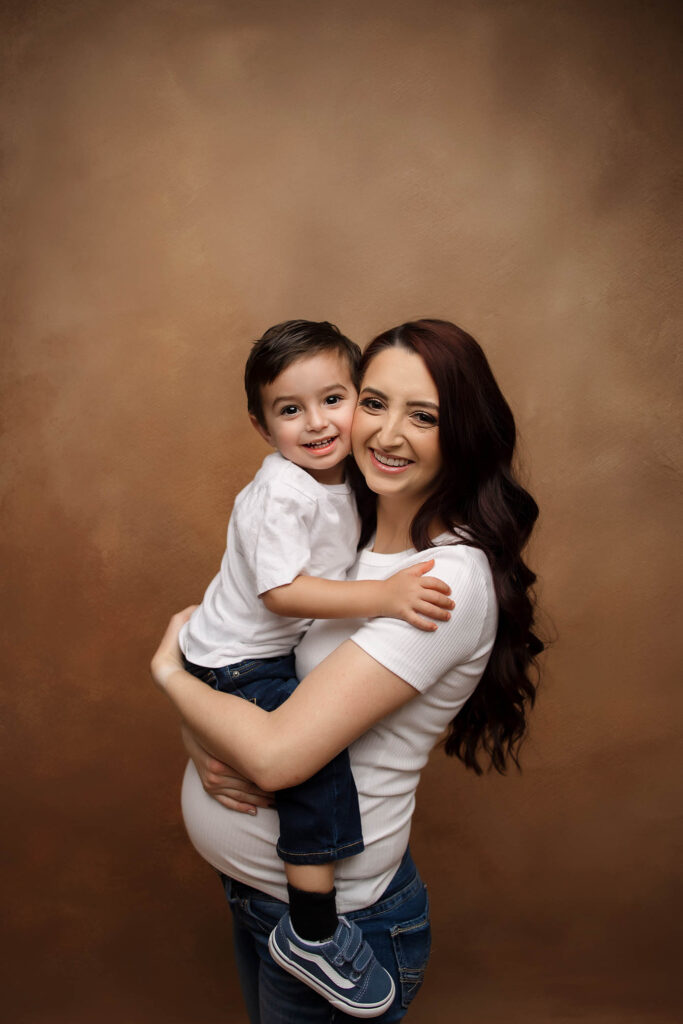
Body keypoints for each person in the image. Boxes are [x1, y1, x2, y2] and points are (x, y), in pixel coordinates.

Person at [151, 318, 543, 1023]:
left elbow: (274, 755)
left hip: (344, 927)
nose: (387, 434)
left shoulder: (441, 581)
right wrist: (199, 741)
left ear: (463, 433)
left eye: (422, 416)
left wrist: (169, 677)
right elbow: (252, 666)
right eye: (373, 403)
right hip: (257, 898)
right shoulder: (350, 524)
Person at [177, 319, 454, 1017]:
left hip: (239, 657)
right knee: (315, 767)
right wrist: (384, 596)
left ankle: (311, 923)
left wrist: (175, 687)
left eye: (334, 400)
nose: (317, 423)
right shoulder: (284, 492)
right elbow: (280, 593)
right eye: (289, 410)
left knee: (307, 754)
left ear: (357, 398)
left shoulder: (344, 485)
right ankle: (313, 928)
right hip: (241, 659)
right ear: (261, 425)